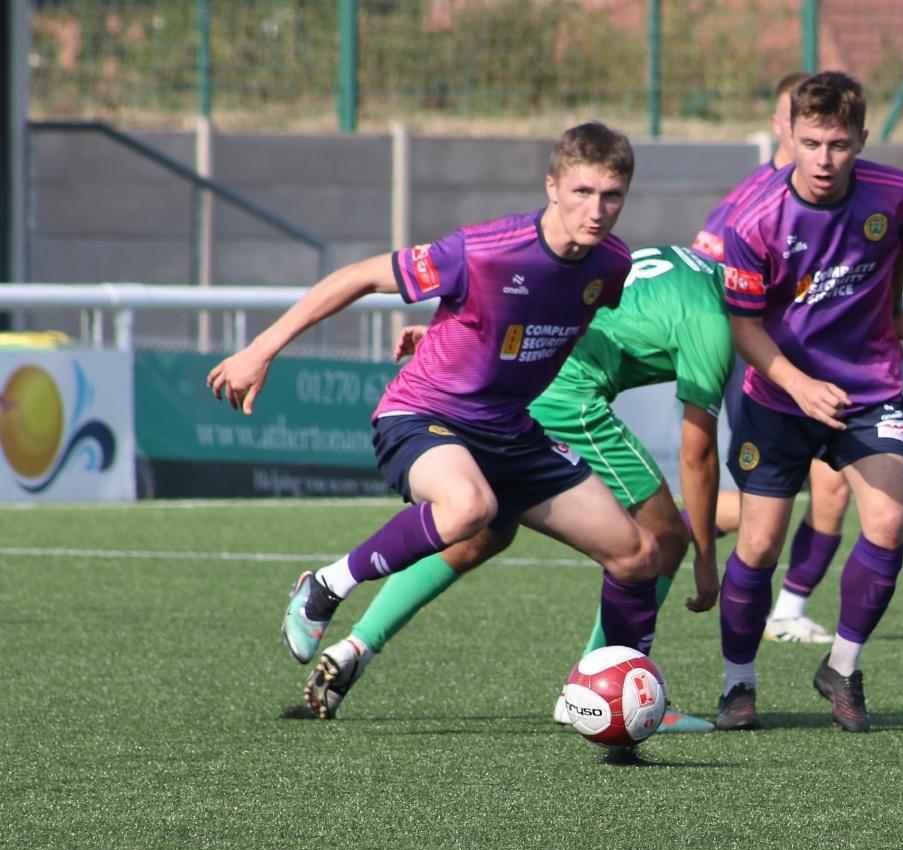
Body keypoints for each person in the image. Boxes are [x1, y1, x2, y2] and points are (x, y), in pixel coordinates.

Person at [206, 122, 664, 720]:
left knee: (637, 554)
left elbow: (544, 325)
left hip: (510, 430)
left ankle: (618, 703)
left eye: (611, 196)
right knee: (468, 509)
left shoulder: (612, 264)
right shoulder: (485, 249)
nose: (596, 210)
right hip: (422, 415)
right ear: (551, 186)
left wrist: (454, 332)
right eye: (582, 192)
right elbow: (361, 276)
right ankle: (325, 586)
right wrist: (260, 349)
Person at [300, 244, 734, 730]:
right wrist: (706, 560)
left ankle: (358, 645)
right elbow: (697, 456)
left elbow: (555, 308)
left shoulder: (679, 260)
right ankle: (597, 692)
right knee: (663, 536)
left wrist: (464, 343)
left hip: (514, 385)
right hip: (566, 398)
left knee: (484, 532)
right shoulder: (715, 321)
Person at [715, 71, 903, 733]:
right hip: (779, 399)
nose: (824, 159)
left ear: (861, 138)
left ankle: (841, 666)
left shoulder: (894, 193)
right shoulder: (754, 217)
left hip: (868, 389)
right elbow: (743, 324)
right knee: (757, 546)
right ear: (789, 135)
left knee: (887, 526)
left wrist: (896, 312)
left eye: (838, 143)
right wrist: (799, 385)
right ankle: (738, 684)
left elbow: (898, 250)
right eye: (811, 143)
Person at [693, 71, 852, 647]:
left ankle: (787, 610)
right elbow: (705, 276)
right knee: (768, 511)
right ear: (783, 125)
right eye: (799, 121)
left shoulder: (854, 194)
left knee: (834, 489)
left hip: (829, 371)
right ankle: (685, 519)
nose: (817, 140)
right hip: (758, 367)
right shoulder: (752, 202)